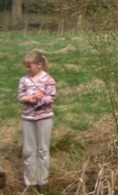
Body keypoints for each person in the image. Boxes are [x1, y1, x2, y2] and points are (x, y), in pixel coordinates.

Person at [18, 49, 56, 193]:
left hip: (44, 118)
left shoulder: (48, 79)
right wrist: (28, 99)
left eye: (30, 66)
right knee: (28, 150)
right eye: (26, 67)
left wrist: (40, 100)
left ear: (39, 65)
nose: (28, 69)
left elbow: (51, 98)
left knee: (42, 149)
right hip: (28, 118)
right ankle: (30, 181)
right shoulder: (24, 80)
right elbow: (21, 96)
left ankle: (43, 181)